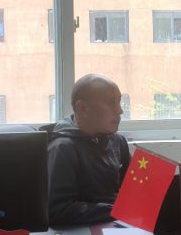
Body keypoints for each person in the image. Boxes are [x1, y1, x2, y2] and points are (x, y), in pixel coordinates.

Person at [43, 74, 130, 226]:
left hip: (116, 225)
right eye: (111, 103)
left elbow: (131, 191)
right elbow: (58, 210)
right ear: (82, 108)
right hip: (81, 231)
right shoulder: (62, 147)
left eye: (119, 102)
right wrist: (115, 210)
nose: (120, 110)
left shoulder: (117, 141)